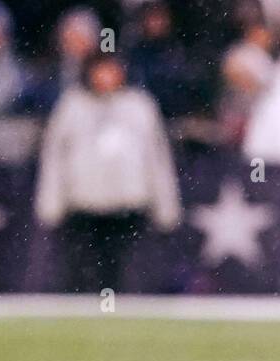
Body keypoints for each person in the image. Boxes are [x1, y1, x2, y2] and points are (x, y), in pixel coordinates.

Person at [35, 52, 182, 292]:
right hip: (84, 205)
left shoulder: (139, 106)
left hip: (128, 206)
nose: (106, 77)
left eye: (111, 70)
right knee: (82, 278)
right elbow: (54, 157)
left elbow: (157, 157)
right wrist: (50, 204)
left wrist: (166, 206)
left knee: (127, 277)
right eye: (100, 70)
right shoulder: (72, 105)